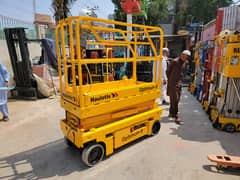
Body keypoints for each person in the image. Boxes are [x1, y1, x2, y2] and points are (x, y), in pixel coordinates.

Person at [166, 50, 191, 125]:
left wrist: (181, 80)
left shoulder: (186, 63)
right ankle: (176, 116)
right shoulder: (175, 61)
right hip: (172, 82)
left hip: (179, 83)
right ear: (181, 54)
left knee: (176, 98)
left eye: (186, 57)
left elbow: (184, 72)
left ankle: (171, 112)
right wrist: (170, 80)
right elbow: (167, 71)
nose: (184, 57)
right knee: (175, 98)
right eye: (184, 55)